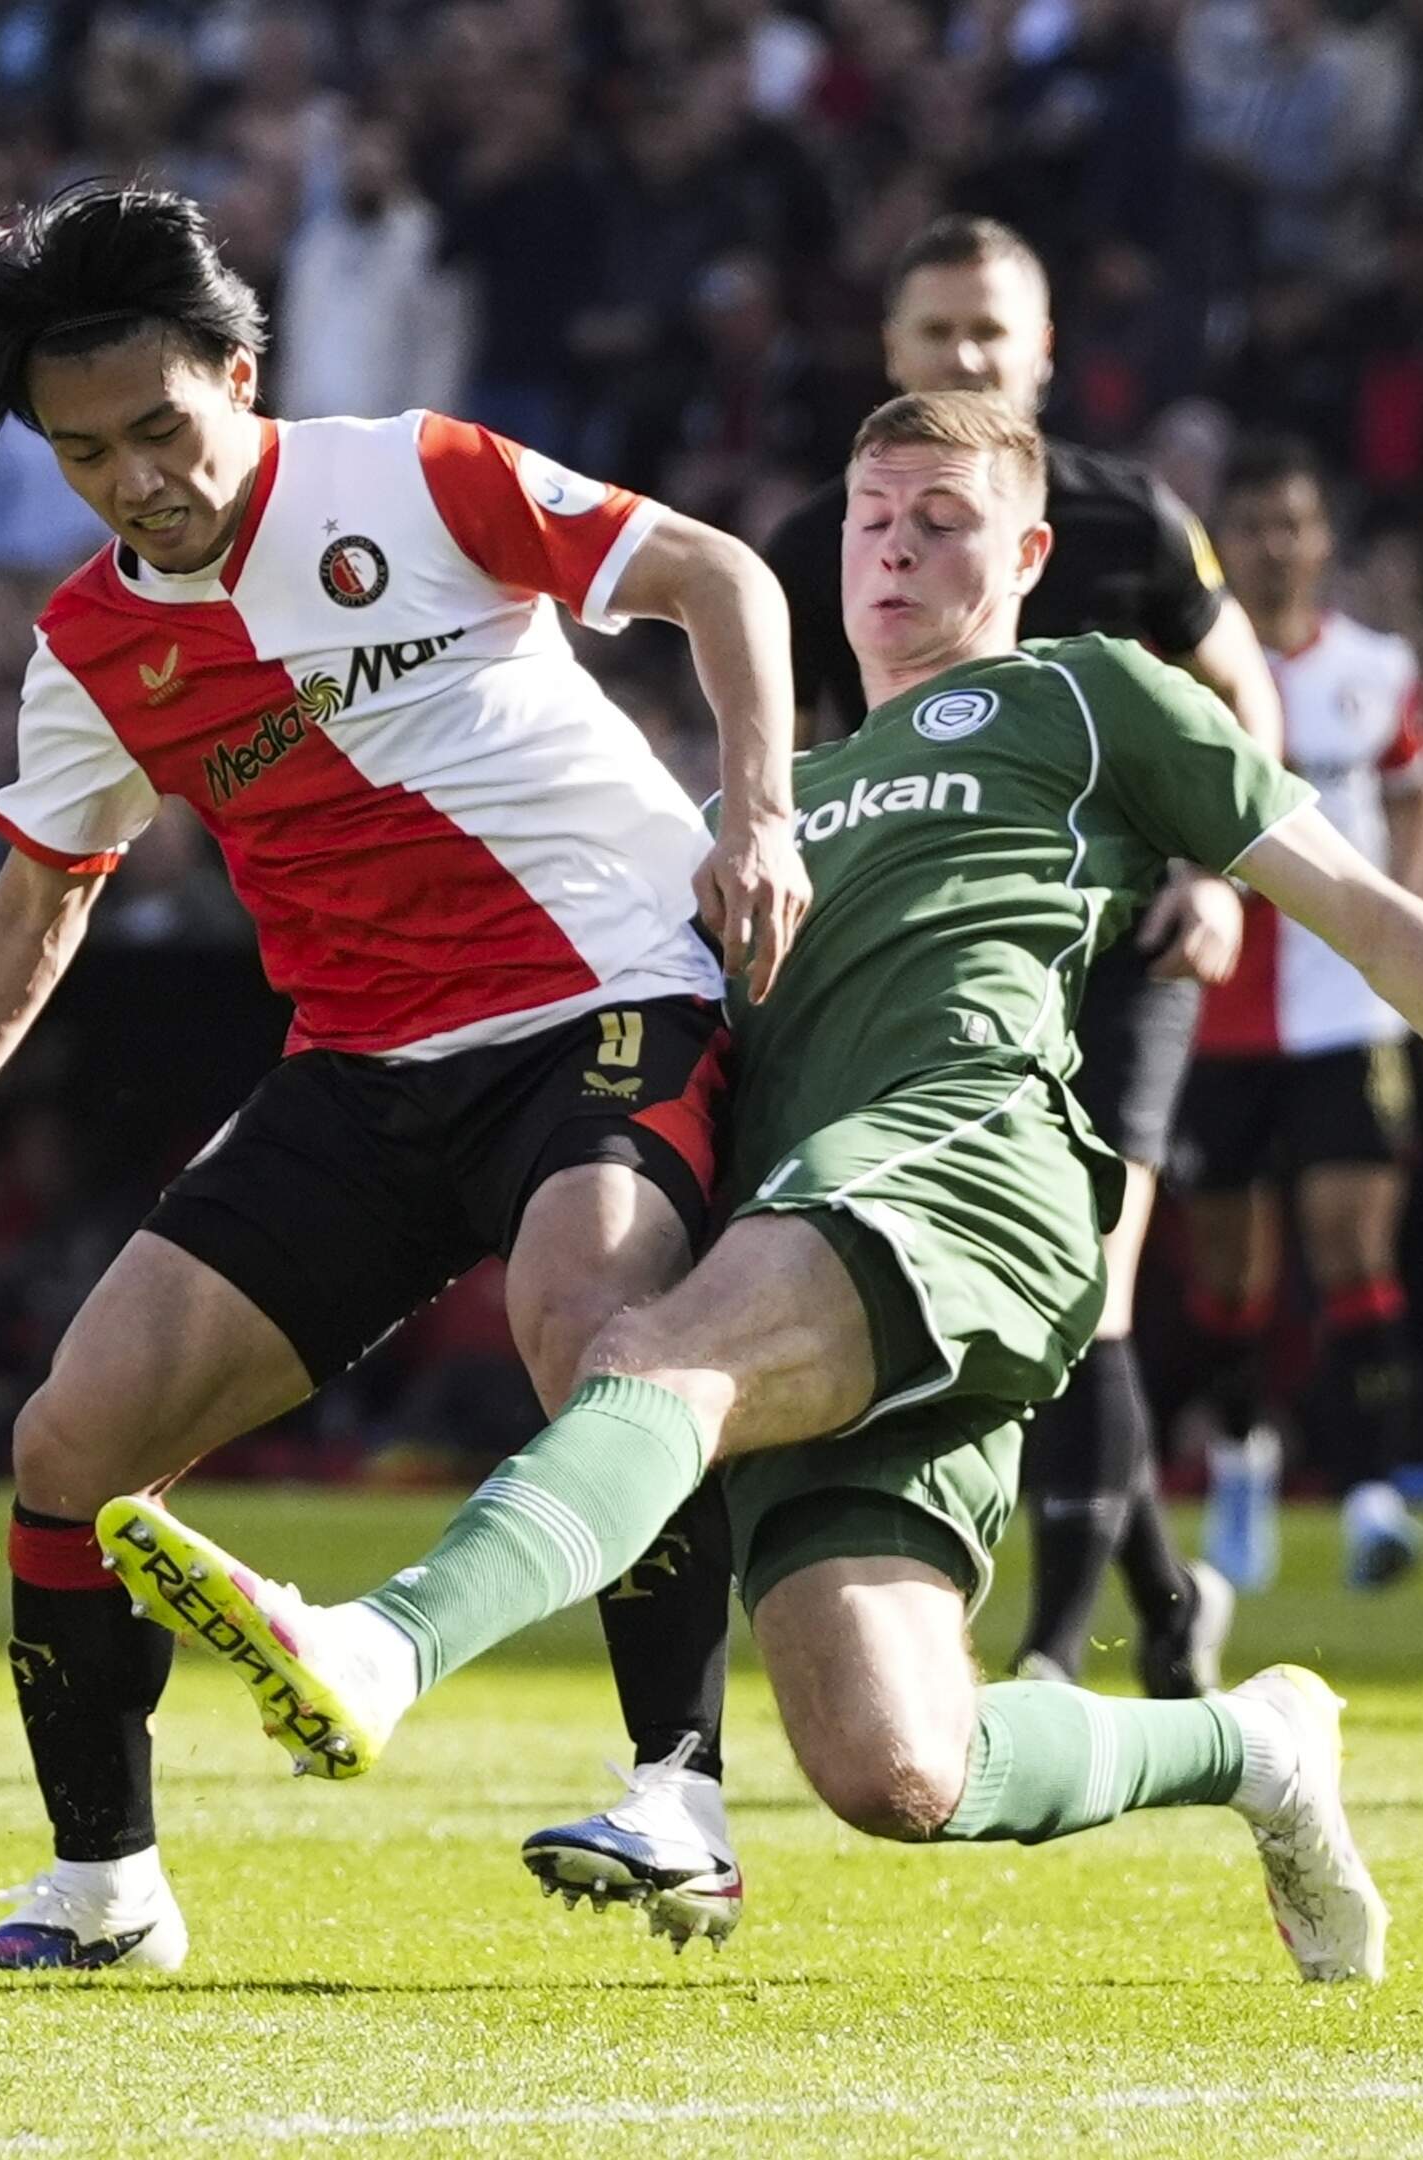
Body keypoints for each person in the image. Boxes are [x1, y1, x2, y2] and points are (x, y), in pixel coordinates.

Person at [92, 389, 1423, 1989]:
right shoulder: (769, 805)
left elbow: (1364, 908)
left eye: (942, 522)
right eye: (872, 521)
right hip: (822, 1231)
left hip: (967, 1170)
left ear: (1025, 553)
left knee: (658, 1364)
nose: (892, 550)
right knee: (898, 1768)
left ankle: (380, 1648)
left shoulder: (1088, 697)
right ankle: (1256, 1742)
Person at [0, 181, 810, 1975]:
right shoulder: (93, 650)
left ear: (243, 373)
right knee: (72, 1443)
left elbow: (719, 574)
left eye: (162, 426)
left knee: (593, 1326)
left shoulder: (411, 472)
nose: (138, 477)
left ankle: (676, 1806)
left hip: (610, 992)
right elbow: (31, 914)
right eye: (85, 455)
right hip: (366, 1067)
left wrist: (758, 812)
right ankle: (103, 1896)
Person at [533, 213, 1289, 1949]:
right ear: (891, 345)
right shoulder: (822, 536)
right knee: (741, 1327)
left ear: (1040, 355)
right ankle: (1145, 1643)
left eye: (989, 335)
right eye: (932, 332)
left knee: (1088, 1292)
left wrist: (1219, 879)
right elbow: (790, 758)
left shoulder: (1128, 515)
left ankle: (1052, 1634)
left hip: (1128, 925)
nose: (960, 359)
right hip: (880, 949)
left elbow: (1237, 694)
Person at [1177, 436, 1423, 1595]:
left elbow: (1417, 789)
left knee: (1352, 1244)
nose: (1277, 546)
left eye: (1295, 522)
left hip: (1348, 1006)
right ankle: (1244, 1465)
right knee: (1232, 1272)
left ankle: (1374, 1495)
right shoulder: (1182, 670)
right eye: (1254, 525)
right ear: (1221, 542)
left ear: (1323, 536)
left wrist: (1414, 917)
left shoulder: (1378, 669)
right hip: (1216, 1012)